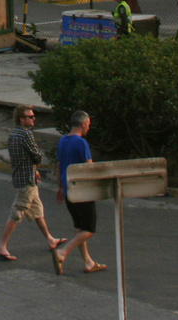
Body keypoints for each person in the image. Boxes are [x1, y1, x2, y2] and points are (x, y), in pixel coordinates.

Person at [0, 105, 65, 261]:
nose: (33, 119)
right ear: (22, 119)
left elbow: (18, 157)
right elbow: (37, 156)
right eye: (30, 116)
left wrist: (33, 170)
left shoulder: (13, 133)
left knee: (37, 209)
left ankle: (50, 239)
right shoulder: (26, 134)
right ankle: (2, 245)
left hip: (22, 175)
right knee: (17, 212)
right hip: (27, 180)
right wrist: (34, 167)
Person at [53, 110, 105, 275]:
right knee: (89, 228)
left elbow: (59, 166)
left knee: (79, 227)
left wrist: (60, 187)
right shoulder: (81, 143)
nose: (88, 127)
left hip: (69, 191)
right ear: (83, 124)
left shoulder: (62, 141)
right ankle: (62, 252)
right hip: (82, 191)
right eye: (88, 124)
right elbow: (89, 167)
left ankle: (88, 262)